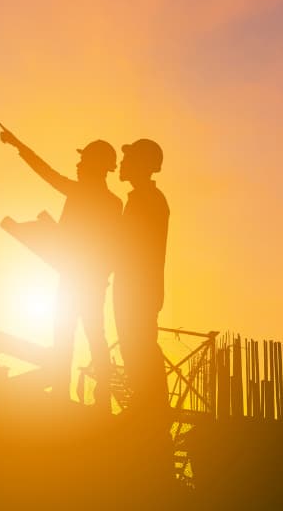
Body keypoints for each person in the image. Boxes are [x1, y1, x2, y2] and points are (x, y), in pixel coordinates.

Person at [0, 126, 122, 408]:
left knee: (71, 333)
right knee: (87, 334)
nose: (78, 165)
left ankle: (63, 394)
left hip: (80, 279)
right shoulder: (112, 203)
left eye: (83, 161)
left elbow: (46, 172)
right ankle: (91, 397)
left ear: (96, 166)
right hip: (84, 278)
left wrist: (19, 144)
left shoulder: (87, 195)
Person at [113, 138, 170, 419]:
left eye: (129, 158)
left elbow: (133, 245)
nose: (122, 163)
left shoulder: (149, 200)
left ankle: (150, 411)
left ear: (142, 164)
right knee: (134, 345)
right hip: (134, 286)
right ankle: (147, 407)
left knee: (139, 346)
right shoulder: (143, 199)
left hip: (138, 289)